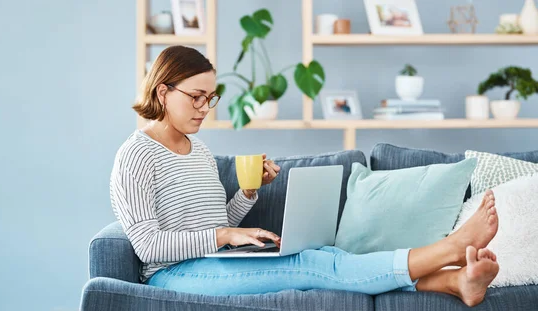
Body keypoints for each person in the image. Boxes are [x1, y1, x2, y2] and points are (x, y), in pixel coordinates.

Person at [109, 45, 499, 307]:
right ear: (163, 92)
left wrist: (247, 193)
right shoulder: (136, 156)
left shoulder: (201, 151)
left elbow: (213, 229)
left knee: (329, 257)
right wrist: (225, 236)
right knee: (314, 265)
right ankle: (450, 250)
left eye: (210, 98)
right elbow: (149, 247)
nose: (204, 107)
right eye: (196, 96)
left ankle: (452, 282)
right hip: (171, 277)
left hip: (212, 262)